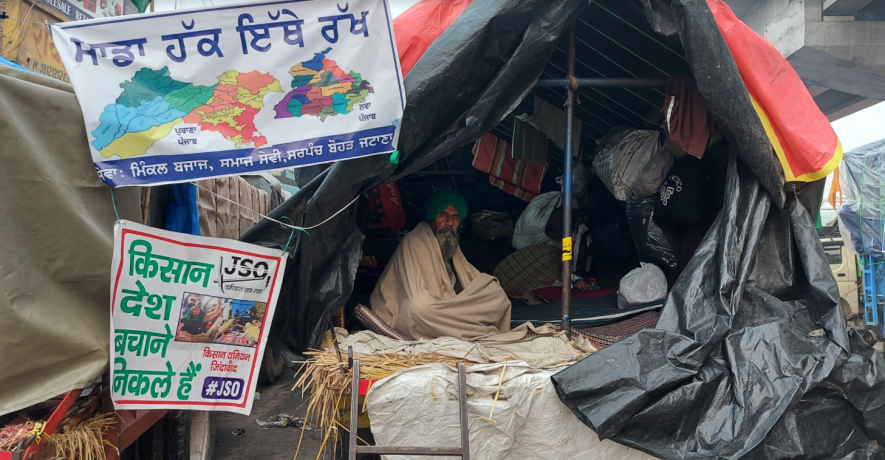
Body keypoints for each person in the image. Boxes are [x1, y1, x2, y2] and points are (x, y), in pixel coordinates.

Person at [370, 189, 531, 341]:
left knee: (497, 296)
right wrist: (447, 306)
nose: (449, 222)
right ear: (432, 218)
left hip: (447, 308)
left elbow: (470, 277)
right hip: (429, 307)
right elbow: (415, 295)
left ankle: (450, 325)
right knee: (420, 310)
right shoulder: (415, 239)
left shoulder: (450, 243)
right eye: (443, 215)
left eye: (455, 217)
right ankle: (461, 326)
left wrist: (459, 302)